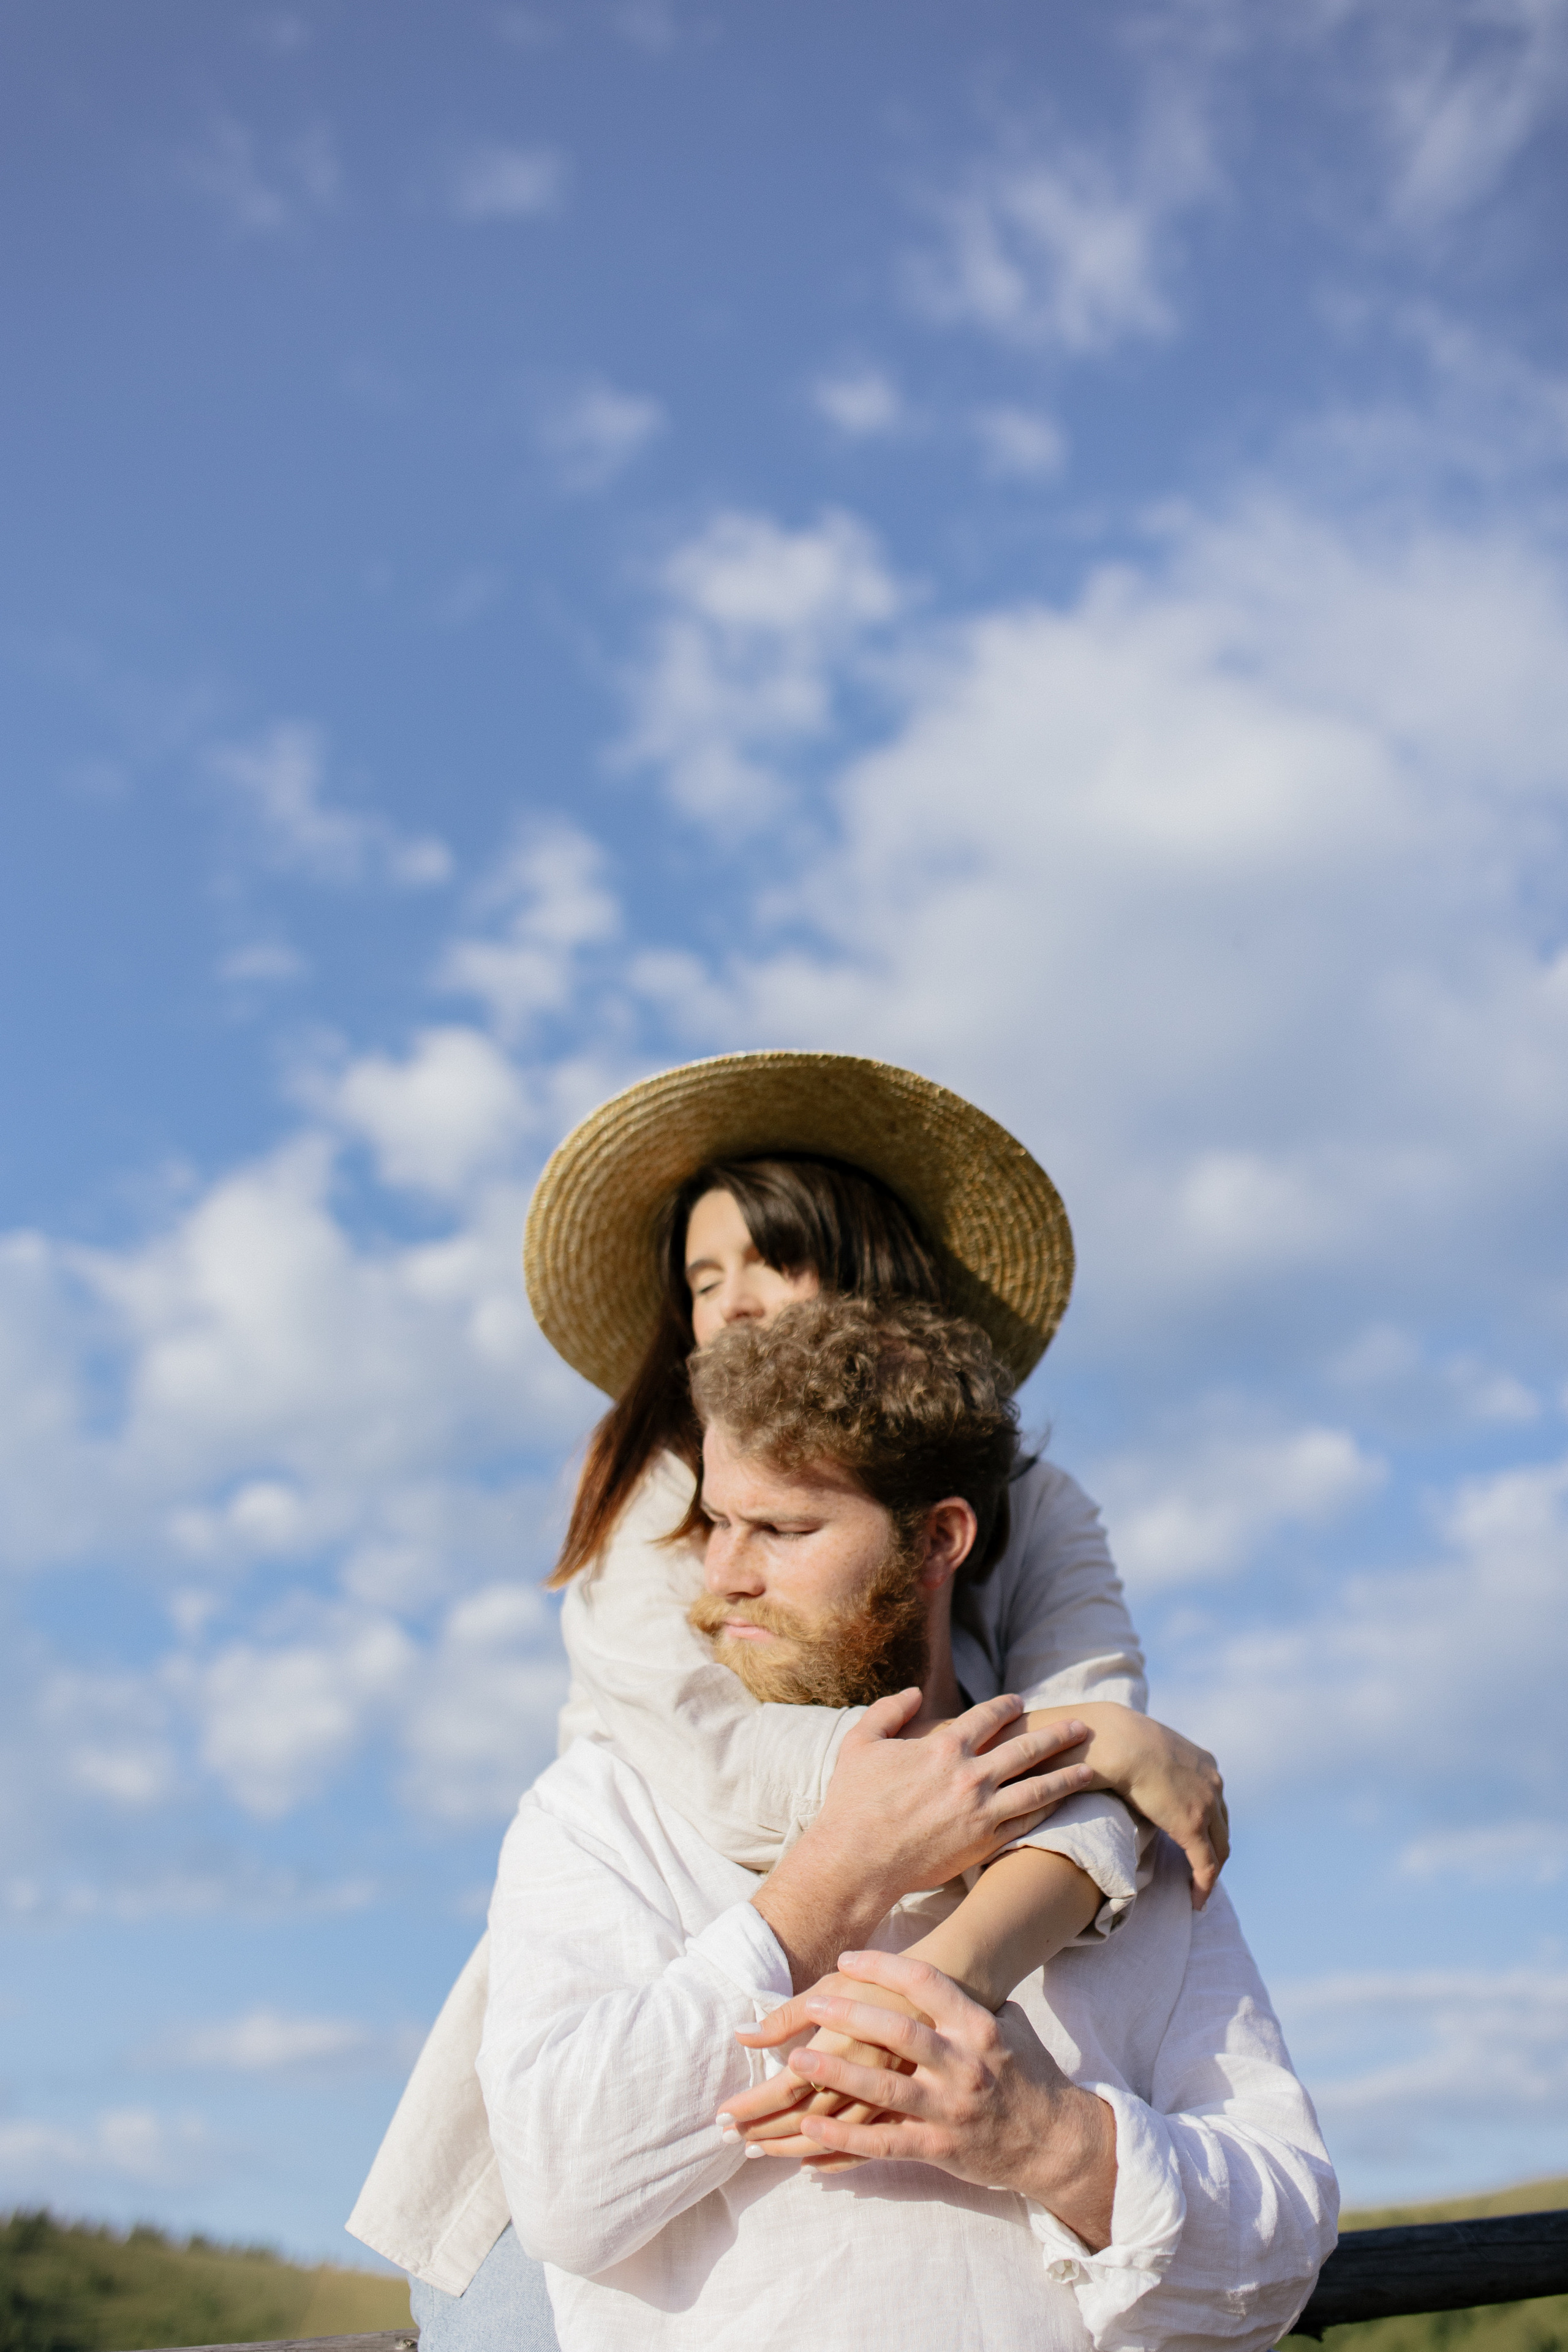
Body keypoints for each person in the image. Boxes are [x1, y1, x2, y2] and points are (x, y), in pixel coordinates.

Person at [348, 1052, 1228, 2319]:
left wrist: (950, 1978)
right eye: (703, 1280)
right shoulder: (659, 1507)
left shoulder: (1034, 1508)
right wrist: (1086, 1738)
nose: (735, 1303)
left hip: (910, 2118)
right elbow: (737, 1780)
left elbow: (1099, 1805)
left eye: (771, 1260)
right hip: (624, 2091)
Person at [476, 1296, 1338, 2351]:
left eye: (785, 1529)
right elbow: (564, 2184)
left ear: (940, 1540)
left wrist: (1047, 2141)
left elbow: (1289, 2232)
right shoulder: (603, 1812)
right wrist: (834, 1880)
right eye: (717, 1523)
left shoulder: (1116, 1831)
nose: (726, 1574)